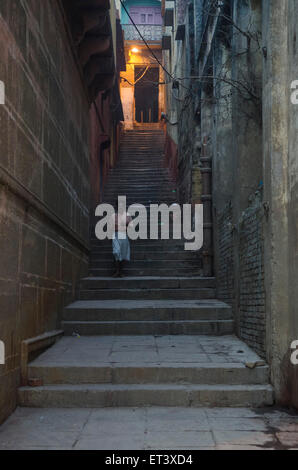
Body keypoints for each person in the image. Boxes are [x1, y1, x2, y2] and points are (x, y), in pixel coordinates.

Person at [111, 199, 132, 277]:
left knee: (123, 253)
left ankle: (121, 271)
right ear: (116, 206)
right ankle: (117, 271)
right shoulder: (113, 216)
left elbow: (130, 226)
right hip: (115, 235)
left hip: (123, 234)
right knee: (116, 252)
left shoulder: (127, 216)